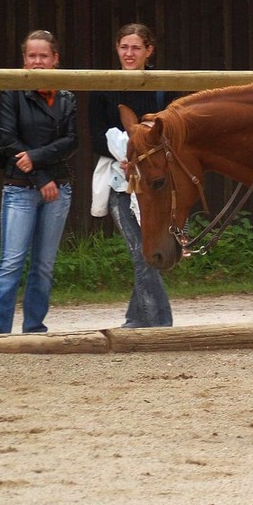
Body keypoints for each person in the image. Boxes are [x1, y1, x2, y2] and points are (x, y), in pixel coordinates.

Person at [0, 30, 77, 334]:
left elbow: (71, 140)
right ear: (24, 60)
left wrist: (36, 160)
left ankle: (34, 328)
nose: (37, 62)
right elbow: (7, 138)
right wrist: (39, 177)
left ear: (55, 59)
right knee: (11, 263)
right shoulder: (11, 91)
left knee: (44, 266)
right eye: (32, 56)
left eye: (43, 56)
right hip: (20, 187)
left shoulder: (66, 96)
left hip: (58, 188)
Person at [88, 23, 174, 328]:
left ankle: (137, 319)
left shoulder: (165, 85)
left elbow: (173, 131)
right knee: (141, 251)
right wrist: (123, 154)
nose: (129, 53)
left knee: (148, 251)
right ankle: (159, 323)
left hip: (153, 184)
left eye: (136, 47)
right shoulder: (104, 86)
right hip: (118, 180)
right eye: (124, 47)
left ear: (148, 51)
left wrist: (143, 159)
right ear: (117, 48)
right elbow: (95, 136)